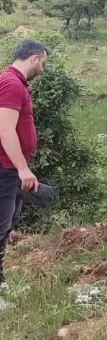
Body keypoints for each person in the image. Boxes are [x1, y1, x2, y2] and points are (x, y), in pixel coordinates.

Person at [0, 40, 47, 285]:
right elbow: (5, 130)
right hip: (5, 167)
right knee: (0, 224)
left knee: (7, 223)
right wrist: (22, 168)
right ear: (34, 58)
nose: (43, 68)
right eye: (43, 62)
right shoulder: (11, 84)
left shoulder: (14, 82)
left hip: (10, 168)